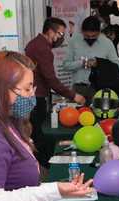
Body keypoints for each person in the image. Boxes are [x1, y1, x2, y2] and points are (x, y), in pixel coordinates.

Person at [0, 51, 93, 201]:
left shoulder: (6, 121)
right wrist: (53, 191)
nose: (31, 97)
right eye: (26, 90)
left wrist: (55, 189)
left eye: (32, 88)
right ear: (1, 88)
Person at [25, 17, 86, 171]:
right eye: (59, 34)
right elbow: (50, 79)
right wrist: (73, 95)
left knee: (37, 132)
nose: (60, 38)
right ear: (50, 31)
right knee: (40, 133)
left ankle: (41, 164)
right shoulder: (42, 49)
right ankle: (45, 165)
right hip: (36, 97)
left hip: (35, 94)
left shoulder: (35, 44)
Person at [63, 16, 119, 102]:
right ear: (82, 31)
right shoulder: (74, 41)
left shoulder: (107, 43)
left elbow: (116, 67)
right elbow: (66, 65)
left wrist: (99, 64)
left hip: (99, 89)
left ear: (99, 32)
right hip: (78, 89)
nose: (90, 38)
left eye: (93, 36)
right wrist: (82, 63)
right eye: (87, 36)